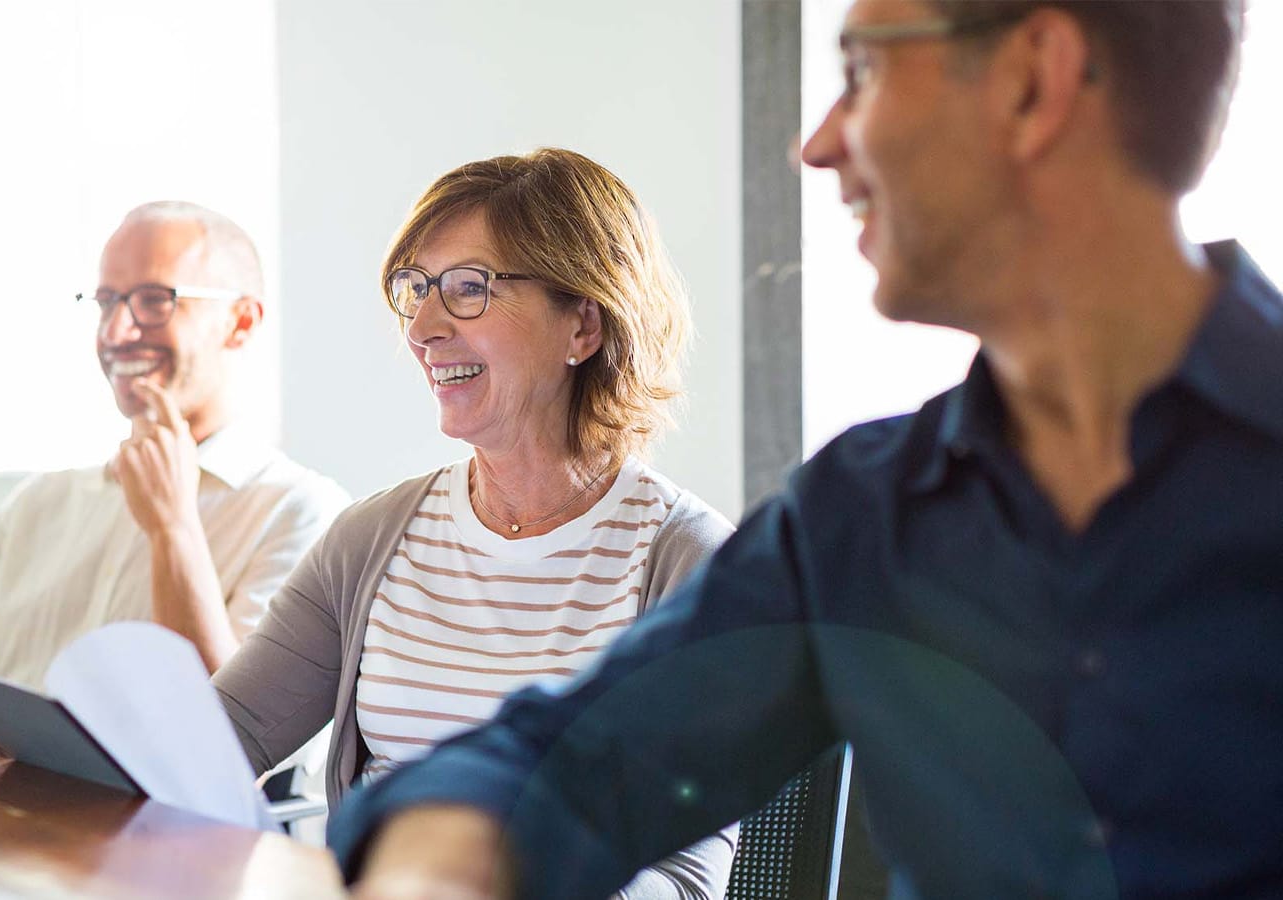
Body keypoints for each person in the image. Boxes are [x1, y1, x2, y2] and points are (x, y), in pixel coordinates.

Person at [330, 2, 1282, 899]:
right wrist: (435, 861)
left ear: (1034, 81)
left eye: (862, 69)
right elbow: (589, 761)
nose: (817, 144)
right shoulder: (863, 512)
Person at [210, 148, 737, 896]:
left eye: (468, 289)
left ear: (582, 325)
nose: (423, 327)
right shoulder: (370, 540)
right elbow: (214, 741)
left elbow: (684, 882)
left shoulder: (687, 564)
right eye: (415, 290)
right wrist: (20, 729)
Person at [0, 201, 350, 762]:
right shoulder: (40, 502)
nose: (117, 331)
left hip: (156, 841)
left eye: (155, 301)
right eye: (108, 301)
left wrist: (173, 529)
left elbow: (231, 744)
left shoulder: (303, 512)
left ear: (241, 322)